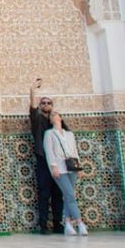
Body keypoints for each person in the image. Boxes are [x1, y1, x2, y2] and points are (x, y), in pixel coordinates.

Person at [29, 77, 64, 234]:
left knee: (58, 194)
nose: (45, 105)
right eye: (43, 103)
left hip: (58, 163)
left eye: (48, 103)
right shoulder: (38, 120)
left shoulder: (57, 123)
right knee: (44, 194)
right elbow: (33, 107)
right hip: (44, 161)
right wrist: (32, 90)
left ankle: (58, 224)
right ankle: (43, 225)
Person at [44, 111, 88, 236]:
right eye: (51, 116)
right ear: (50, 120)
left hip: (71, 168)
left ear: (60, 117)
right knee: (70, 195)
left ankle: (68, 224)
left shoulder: (69, 134)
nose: (54, 116)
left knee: (68, 196)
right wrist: (53, 167)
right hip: (59, 168)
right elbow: (49, 152)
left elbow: (74, 151)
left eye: (55, 114)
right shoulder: (49, 134)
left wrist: (78, 168)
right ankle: (80, 223)